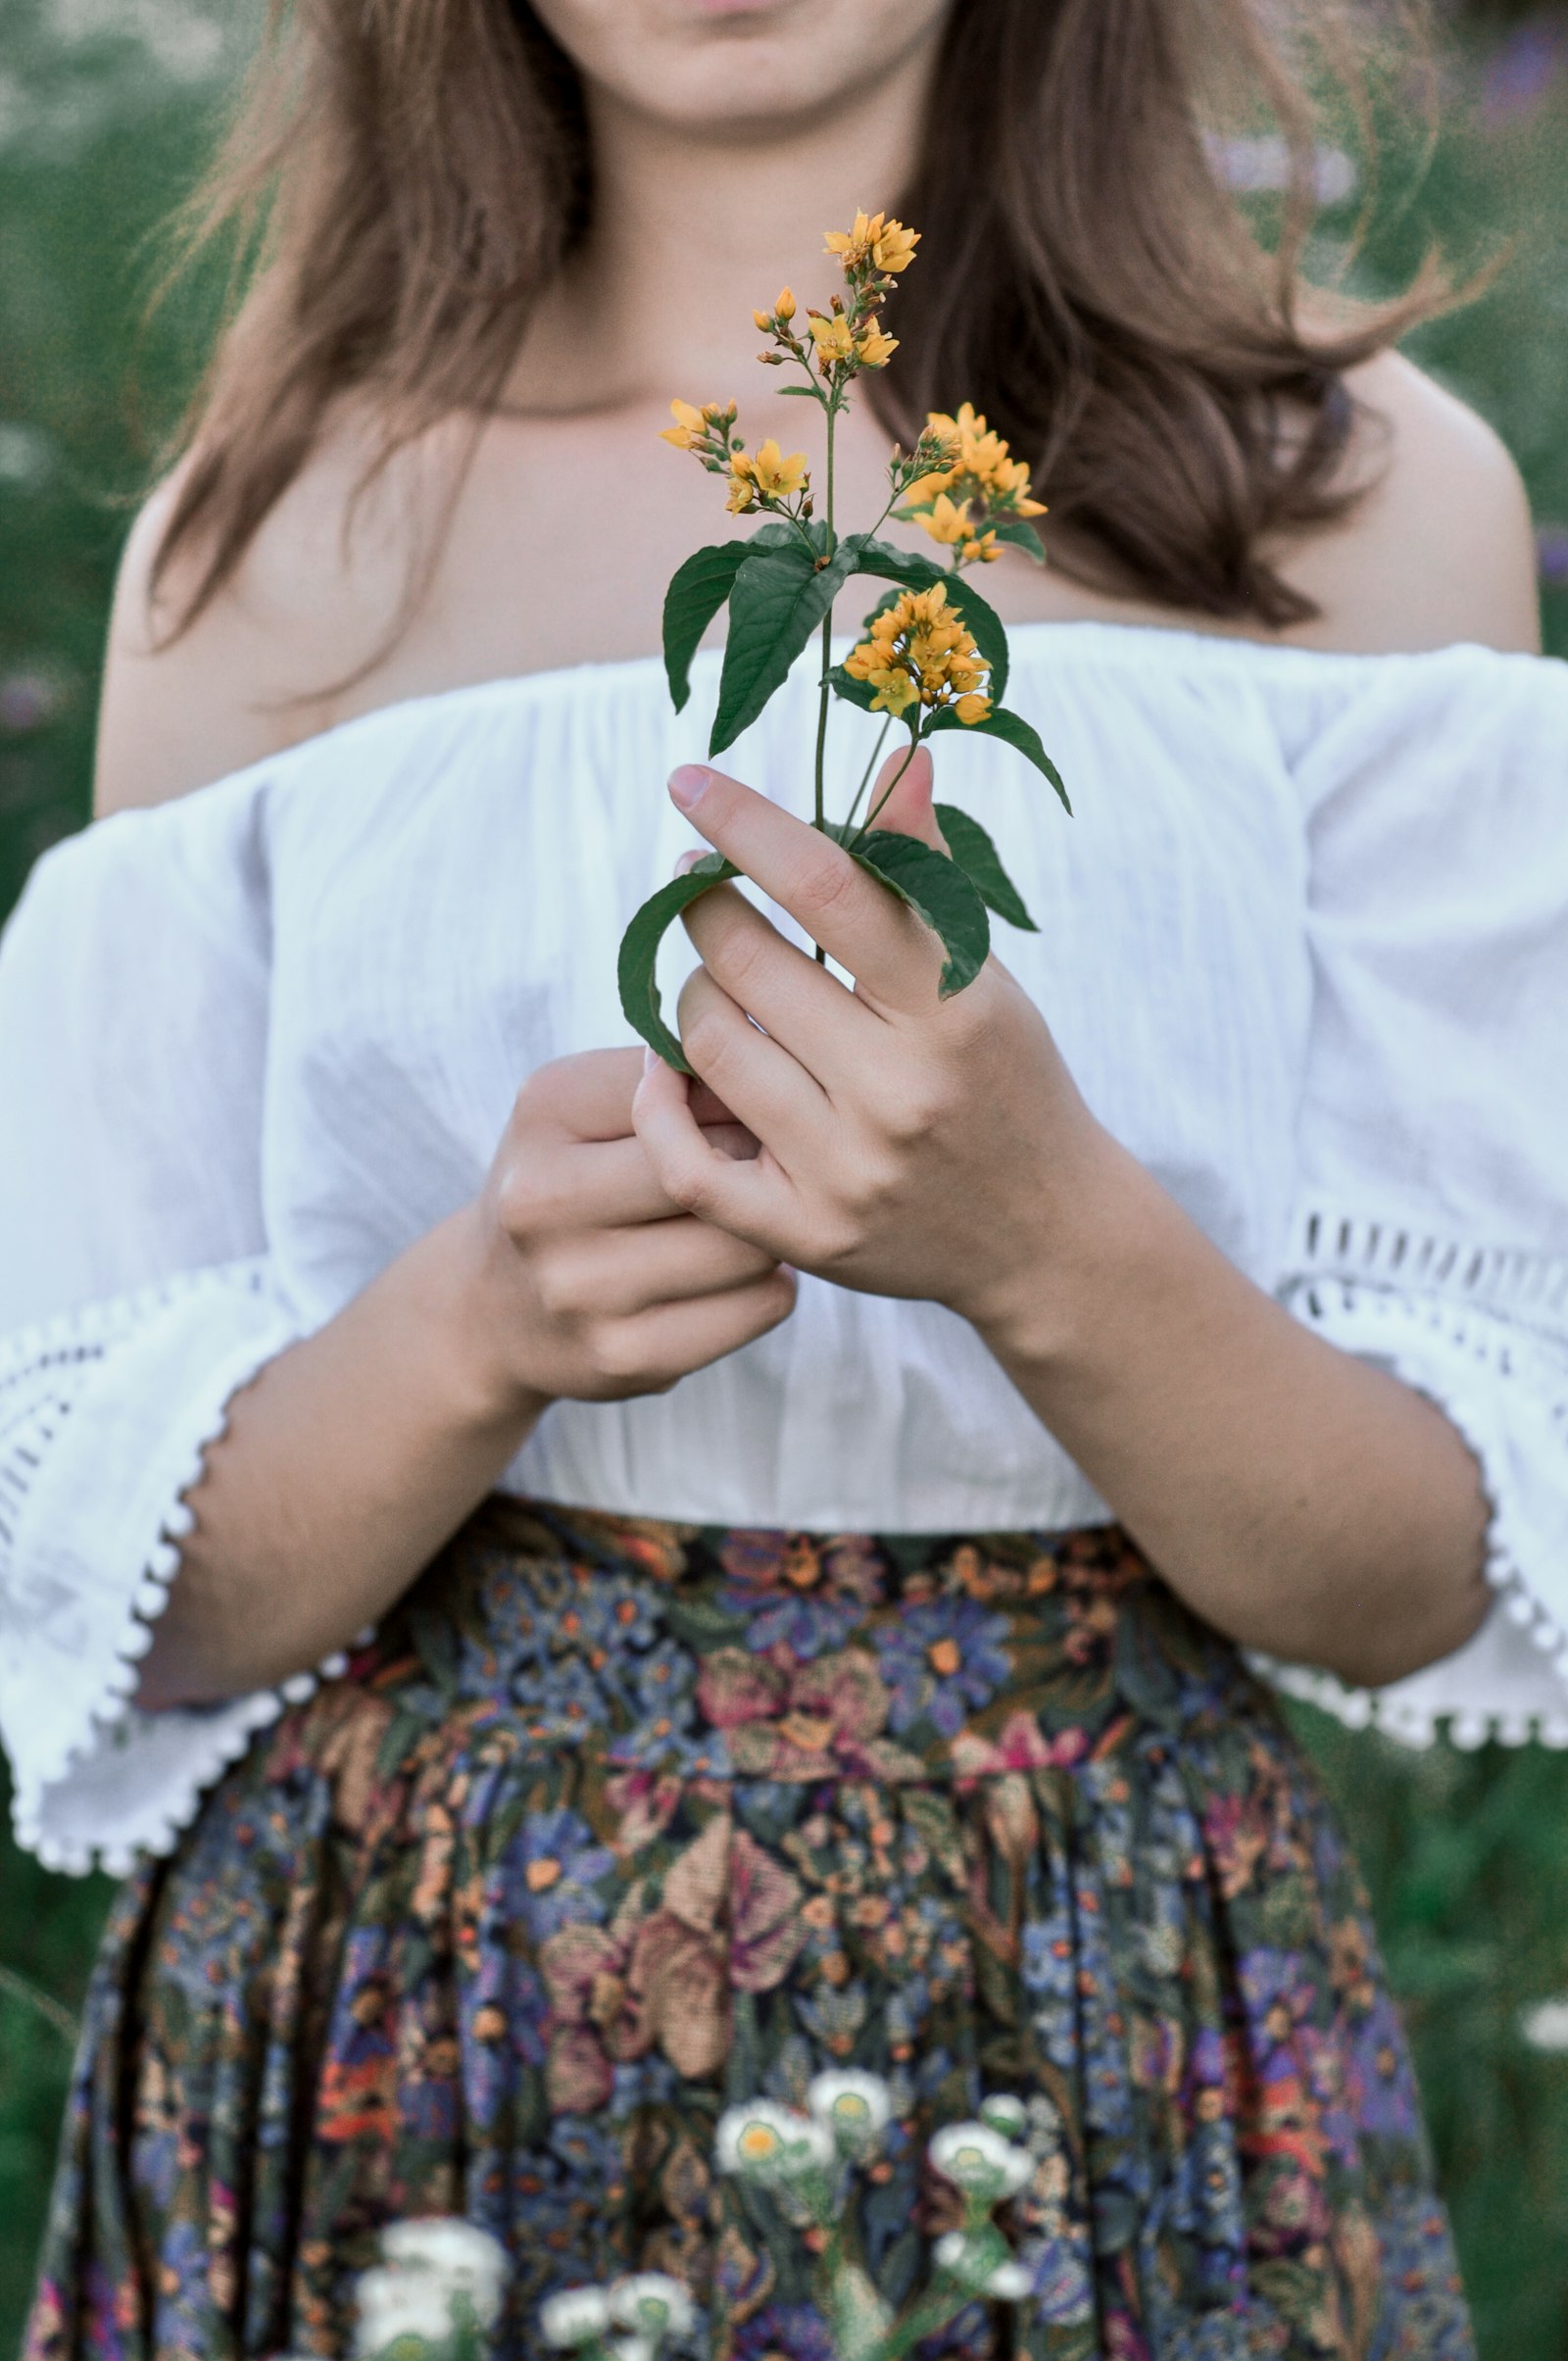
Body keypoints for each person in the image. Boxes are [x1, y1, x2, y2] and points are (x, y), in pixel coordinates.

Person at [3, 0, 1565, 2351]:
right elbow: (131, 1588)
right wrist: (472, 1326)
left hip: (1096, 1950)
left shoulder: (1348, 508)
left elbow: (1409, 1568)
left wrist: (1053, 1242)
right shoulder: (280, 541)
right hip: (418, 1974)